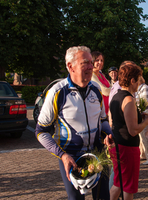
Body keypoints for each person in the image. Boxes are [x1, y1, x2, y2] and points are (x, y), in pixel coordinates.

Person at [35, 46, 111, 200]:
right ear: (70, 66)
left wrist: (109, 134)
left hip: (98, 155)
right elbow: (41, 131)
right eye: (85, 63)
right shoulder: (58, 92)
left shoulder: (96, 89)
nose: (91, 66)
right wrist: (62, 155)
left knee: (103, 197)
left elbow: (102, 120)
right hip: (72, 158)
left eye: (91, 62)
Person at [105, 62, 148, 200]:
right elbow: (133, 130)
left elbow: (116, 121)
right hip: (127, 148)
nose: (139, 83)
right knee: (128, 186)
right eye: (138, 80)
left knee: (118, 183)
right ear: (132, 80)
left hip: (118, 145)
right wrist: (147, 121)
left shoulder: (116, 96)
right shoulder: (129, 99)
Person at [135, 76, 148, 165]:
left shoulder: (145, 87)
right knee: (141, 136)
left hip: (146, 115)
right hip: (141, 115)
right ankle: (143, 155)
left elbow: (144, 102)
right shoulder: (138, 89)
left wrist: (134, 104)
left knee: (145, 136)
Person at [91, 51, 111, 115]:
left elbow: (110, 86)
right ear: (92, 61)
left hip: (108, 109)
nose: (100, 62)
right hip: (99, 110)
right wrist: (113, 89)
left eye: (101, 60)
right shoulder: (91, 75)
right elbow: (104, 90)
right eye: (97, 60)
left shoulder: (101, 74)